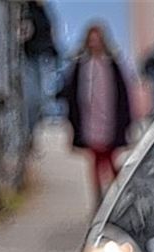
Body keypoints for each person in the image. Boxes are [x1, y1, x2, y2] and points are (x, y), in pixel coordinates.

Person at [58, 24, 133, 202]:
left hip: (109, 120)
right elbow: (72, 94)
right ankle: (104, 198)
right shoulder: (81, 66)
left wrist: (126, 121)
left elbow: (122, 96)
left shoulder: (111, 65)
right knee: (97, 158)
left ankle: (118, 197)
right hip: (90, 121)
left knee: (108, 157)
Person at [20, 1, 60, 146]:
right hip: (29, 59)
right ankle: (27, 134)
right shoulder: (25, 9)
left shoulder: (43, 10)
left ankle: (30, 133)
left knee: (42, 101)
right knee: (33, 99)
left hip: (43, 59)